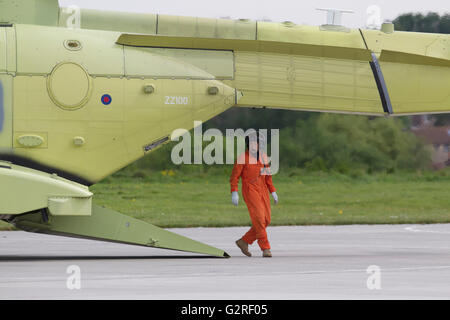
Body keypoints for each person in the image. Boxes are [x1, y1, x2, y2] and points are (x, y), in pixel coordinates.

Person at [229, 134, 278, 258]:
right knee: (259, 219)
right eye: (251, 143)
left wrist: (273, 191)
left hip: (263, 190)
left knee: (266, 220)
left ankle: (244, 241)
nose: (253, 145)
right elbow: (234, 177)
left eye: (256, 143)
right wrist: (234, 191)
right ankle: (265, 248)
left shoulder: (264, 157)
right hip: (250, 190)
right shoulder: (242, 158)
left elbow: (268, 177)